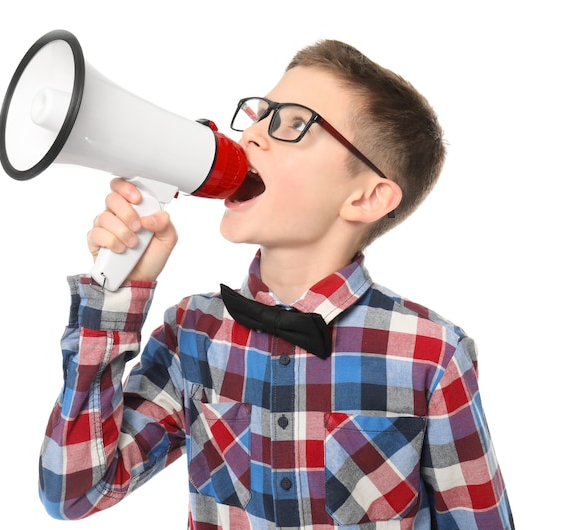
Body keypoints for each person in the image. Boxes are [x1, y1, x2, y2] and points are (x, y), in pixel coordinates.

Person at [38, 40, 514, 529]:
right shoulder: (192, 333)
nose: (251, 137)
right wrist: (115, 298)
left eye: (293, 124)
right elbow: (74, 492)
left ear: (368, 197)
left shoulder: (432, 356)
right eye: (260, 115)